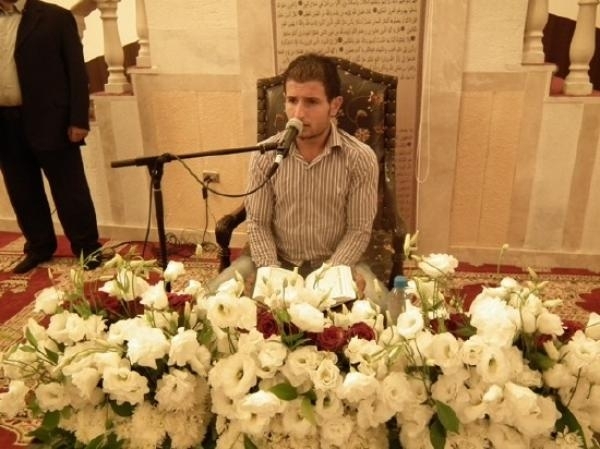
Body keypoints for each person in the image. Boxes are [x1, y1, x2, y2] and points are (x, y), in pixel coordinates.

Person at [209, 53, 386, 302]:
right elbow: (258, 223)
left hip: (337, 263)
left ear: (335, 106)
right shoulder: (264, 155)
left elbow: (358, 229)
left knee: (386, 312)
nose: (299, 113)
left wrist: (330, 273)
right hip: (275, 260)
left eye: (311, 102)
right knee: (209, 302)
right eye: (292, 100)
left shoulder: (360, 158)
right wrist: (270, 272)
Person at [0, 0, 101, 273]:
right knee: (22, 190)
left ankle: (87, 248)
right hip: (5, 123)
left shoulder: (55, 18)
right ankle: (39, 247)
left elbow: (76, 71)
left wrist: (78, 119)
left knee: (70, 189)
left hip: (51, 120)